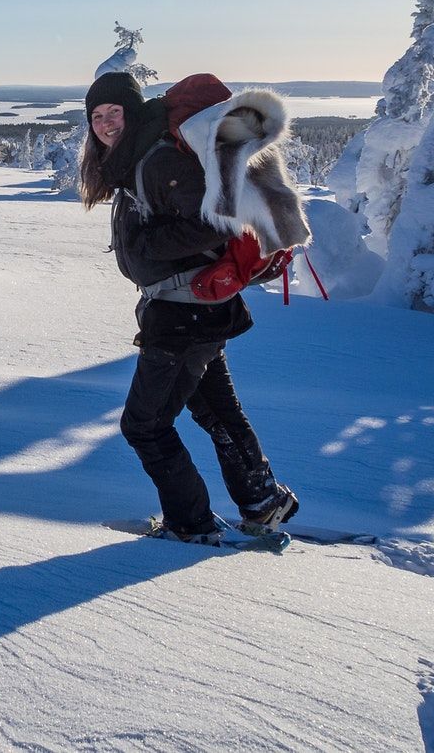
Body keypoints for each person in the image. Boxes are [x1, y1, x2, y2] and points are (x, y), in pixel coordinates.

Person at [81, 70, 298, 543]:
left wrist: (146, 245)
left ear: (133, 112)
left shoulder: (155, 160)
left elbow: (217, 223)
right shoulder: (140, 157)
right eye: (96, 116)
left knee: (144, 426)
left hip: (184, 315)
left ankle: (191, 524)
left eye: (114, 111)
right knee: (216, 411)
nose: (105, 123)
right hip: (196, 308)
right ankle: (263, 502)